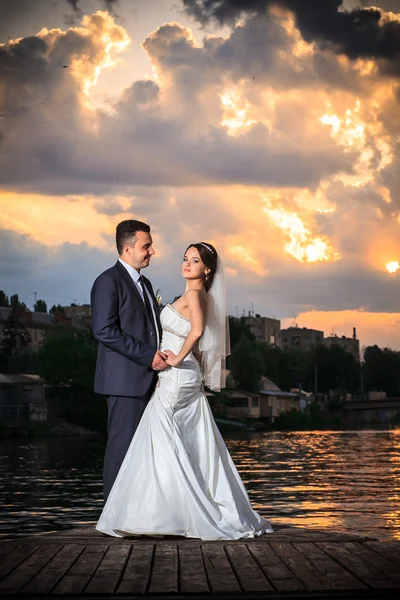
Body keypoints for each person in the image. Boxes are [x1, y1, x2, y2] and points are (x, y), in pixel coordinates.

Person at [96, 242, 273, 540]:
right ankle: (167, 512)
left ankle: (162, 514)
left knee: (161, 438)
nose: (187, 263)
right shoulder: (191, 294)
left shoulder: (194, 294)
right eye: (185, 258)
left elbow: (198, 331)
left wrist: (177, 358)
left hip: (177, 374)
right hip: (177, 374)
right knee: (177, 440)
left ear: (207, 269)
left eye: (195, 260)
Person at [91, 219, 169, 501]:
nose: (152, 251)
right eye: (146, 246)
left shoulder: (145, 283)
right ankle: (113, 516)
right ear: (127, 248)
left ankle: (139, 513)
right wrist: (149, 356)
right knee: (121, 449)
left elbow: (150, 329)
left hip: (150, 380)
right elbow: (103, 330)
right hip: (125, 382)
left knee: (146, 451)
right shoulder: (107, 281)